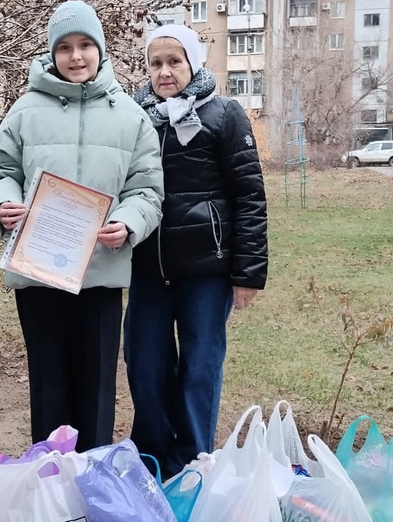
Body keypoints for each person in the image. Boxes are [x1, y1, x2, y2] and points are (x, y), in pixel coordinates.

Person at [0, 1, 164, 452]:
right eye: (65, 47)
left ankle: (90, 477)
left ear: (100, 49)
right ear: (51, 53)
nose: (76, 56)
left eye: (85, 45)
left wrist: (128, 223)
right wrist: (3, 204)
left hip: (99, 274)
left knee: (97, 385)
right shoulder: (24, 111)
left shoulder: (130, 116)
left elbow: (148, 192)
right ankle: (51, 479)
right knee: (48, 382)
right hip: (38, 271)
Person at [125, 24, 268, 479]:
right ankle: (150, 461)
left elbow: (249, 196)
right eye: (155, 63)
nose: (165, 72)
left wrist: (247, 274)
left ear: (193, 63)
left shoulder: (224, 114)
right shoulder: (135, 117)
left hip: (206, 273)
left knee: (198, 372)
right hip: (147, 270)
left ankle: (190, 466)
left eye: (174, 61)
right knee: (145, 368)